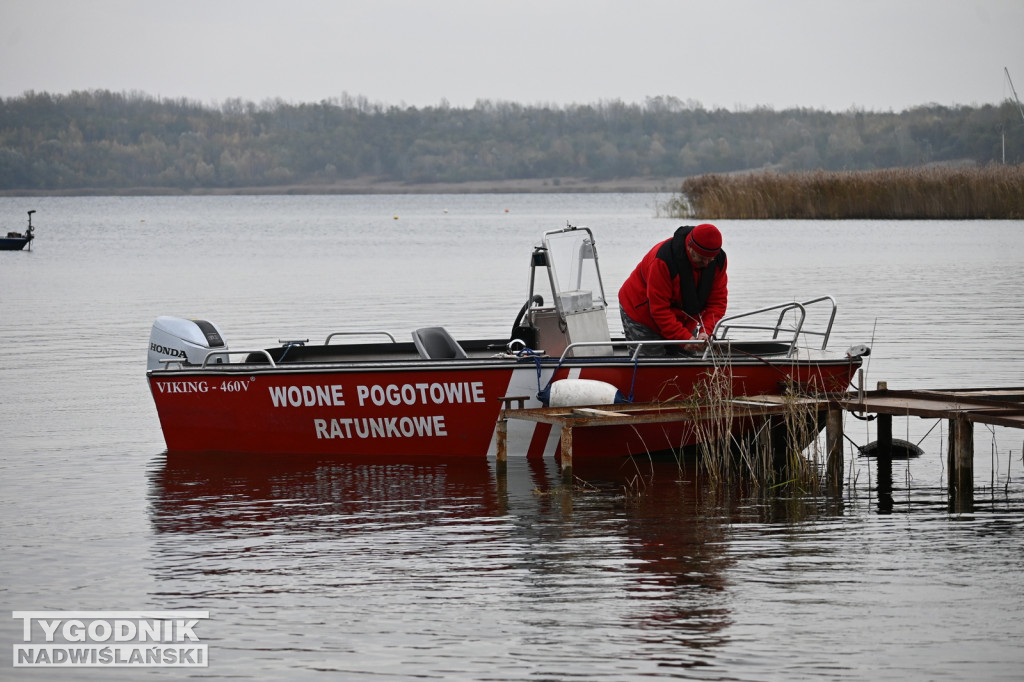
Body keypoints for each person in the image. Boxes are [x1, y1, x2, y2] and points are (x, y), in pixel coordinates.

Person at [618, 223, 728, 355]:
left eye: (710, 259)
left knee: (688, 361)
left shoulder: (718, 262)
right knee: (651, 363)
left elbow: (717, 303)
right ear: (689, 247)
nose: (706, 264)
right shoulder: (663, 260)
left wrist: (705, 331)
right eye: (702, 258)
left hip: (683, 316)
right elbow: (659, 309)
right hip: (641, 311)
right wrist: (684, 339)